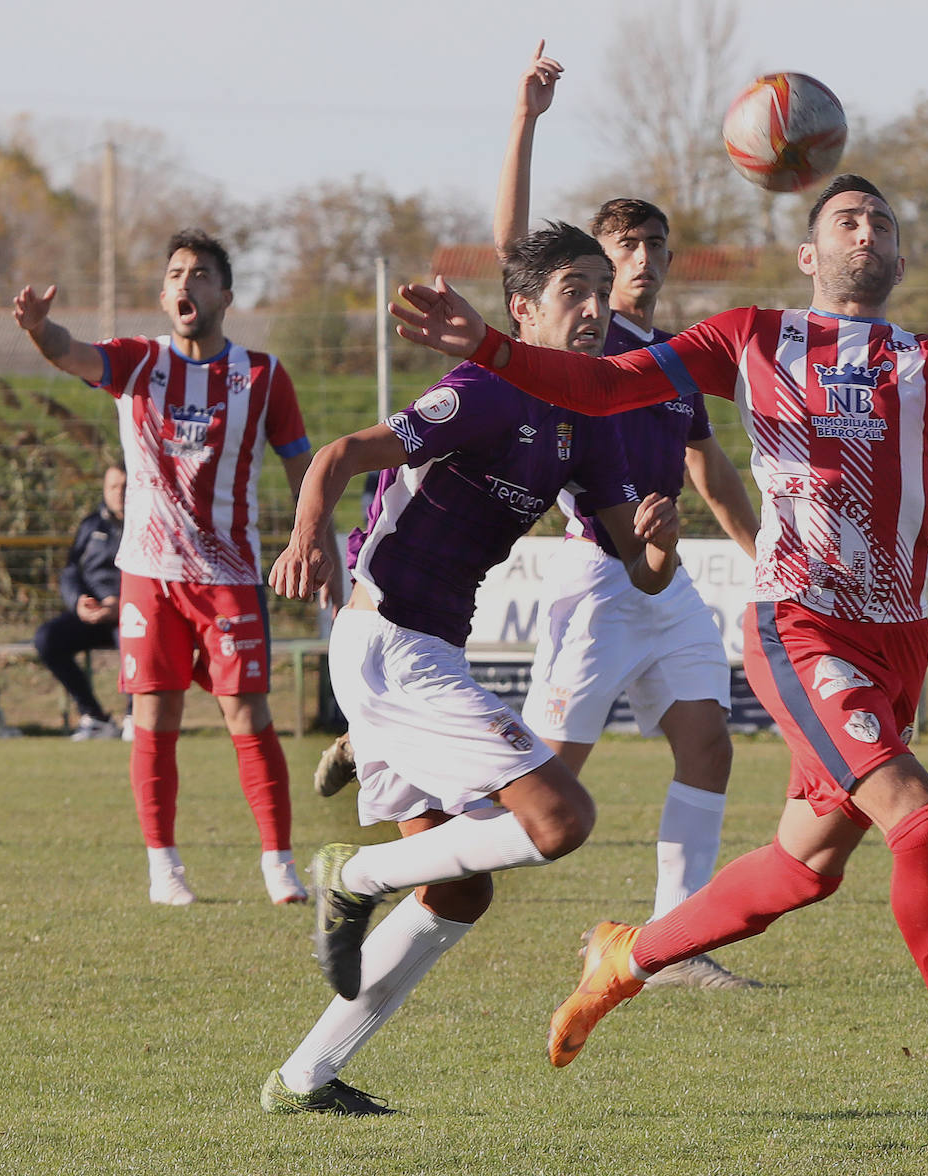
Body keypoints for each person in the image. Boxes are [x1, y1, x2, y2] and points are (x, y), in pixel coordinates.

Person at [386, 174, 928, 1126]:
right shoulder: (752, 336)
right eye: (846, 221)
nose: (868, 232)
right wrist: (491, 347)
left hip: (896, 637)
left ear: (900, 257)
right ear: (809, 256)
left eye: (884, 223)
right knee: (922, 820)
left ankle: (628, 957)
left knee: (803, 869)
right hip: (800, 624)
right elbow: (608, 385)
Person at [259, 222, 681, 1116]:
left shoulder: (588, 418)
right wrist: (306, 539)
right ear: (521, 310)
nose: (598, 308)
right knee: (561, 817)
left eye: (604, 290)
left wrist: (659, 547)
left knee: (457, 890)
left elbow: (640, 573)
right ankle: (353, 876)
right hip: (387, 645)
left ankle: (303, 1078)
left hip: (423, 652)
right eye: (575, 290)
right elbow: (338, 455)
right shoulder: (486, 392)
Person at [493, 43, 763, 989]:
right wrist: (526, 120)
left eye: (655, 245)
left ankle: (676, 945)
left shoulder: (677, 360)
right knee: (545, 781)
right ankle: (404, 795)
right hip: (596, 578)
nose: (642, 260)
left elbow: (710, 464)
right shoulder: (577, 349)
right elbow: (510, 258)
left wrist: (767, 556)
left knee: (709, 741)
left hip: (665, 578)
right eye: (623, 248)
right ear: (589, 272)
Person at [12, 228, 340, 907]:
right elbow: (70, 353)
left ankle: (278, 863)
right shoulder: (137, 362)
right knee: (155, 718)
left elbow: (302, 467)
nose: (186, 283)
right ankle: (165, 866)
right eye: (176, 274)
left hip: (230, 578)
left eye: (201, 273)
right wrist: (41, 330)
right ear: (163, 295)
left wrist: (314, 543)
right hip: (150, 575)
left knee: (247, 715)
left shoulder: (263, 375)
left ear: (225, 293)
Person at [34, 463, 128, 740]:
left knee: (136, 642)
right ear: (104, 490)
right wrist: (79, 603)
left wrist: (120, 604)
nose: (119, 493)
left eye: (125, 486)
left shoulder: (150, 525)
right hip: (94, 614)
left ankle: (137, 718)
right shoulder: (91, 525)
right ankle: (96, 718)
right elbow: (71, 572)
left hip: (135, 613)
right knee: (47, 639)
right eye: (113, 486)